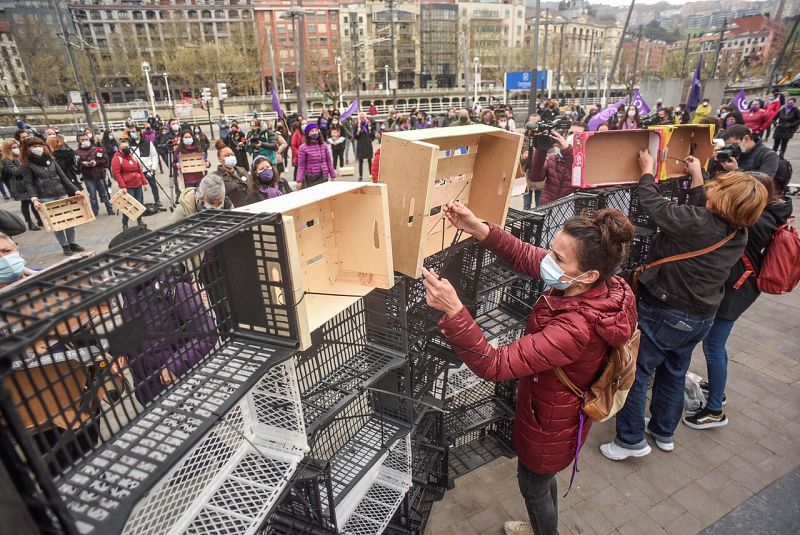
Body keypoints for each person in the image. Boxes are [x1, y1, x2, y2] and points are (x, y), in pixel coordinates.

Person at [421, 203, 637, 535]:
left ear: (589, 274)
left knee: (533, 485)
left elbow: (494, 365)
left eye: (559, 258)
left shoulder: (575, 328)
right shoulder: (599, 288)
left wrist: (454, 311)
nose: (548, 260)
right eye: (552, 249)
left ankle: (544, 531)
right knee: (541, 480)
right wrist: (480, 228)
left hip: (548, 424)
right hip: (555, 411)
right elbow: (528, 255)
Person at [601, 153, 768, 461]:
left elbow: (654, 206)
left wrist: (648, 172)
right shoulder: (738, 232)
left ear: (723, 200)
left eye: (719, 187)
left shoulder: (697, 223)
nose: (713, 189)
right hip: (701, 316)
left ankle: (630, 441)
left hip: (665, 311)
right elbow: (702, 212)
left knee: (636, 372)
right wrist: (697, 178)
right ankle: (664, 432)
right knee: (674, 372)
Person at [685, 171, 792, 430]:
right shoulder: (769, 213)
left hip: (736, 290)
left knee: (713, 347)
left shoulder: (753, 222)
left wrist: (699, 177)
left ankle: (714, 411)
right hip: (742, 287)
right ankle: (716, 390)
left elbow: (709, 213)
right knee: (716, 347)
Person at [109, 226, 218, 407]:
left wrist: (176, 365)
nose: (118, 271)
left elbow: (207, 334)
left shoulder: (175, 287)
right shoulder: (130, 289)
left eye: (123, 263)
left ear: (143, 258)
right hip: (148, 388)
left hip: (182, 387)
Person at [20, 138, 86, 255]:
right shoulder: (27, 164)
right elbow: (28, 183)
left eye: (40, 145)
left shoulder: (50, 159)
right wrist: (34, 199)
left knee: (69, 219)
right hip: (45, 196)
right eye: (34, 146)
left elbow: (62, 177)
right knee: (57, 222)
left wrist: (76, 190)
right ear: (28, 148)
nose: (38, 148)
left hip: (61, 193)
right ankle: (64, 245)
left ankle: (72, 243)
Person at [538, 122, 587, 205]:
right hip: (548, 208)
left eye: (578, 134)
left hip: (571, 210)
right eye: (571, 133)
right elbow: (535, 177)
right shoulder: (553, 158)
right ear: (565, 136)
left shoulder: (587, 160)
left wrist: (567, 150)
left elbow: (581, 180)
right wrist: (541, 147)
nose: (573, 137)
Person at [1, 138, 43, 231]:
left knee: (33, 201)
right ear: (8, 149)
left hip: (28, 182)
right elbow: (14, 172)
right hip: (19, 185)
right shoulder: (6, 159)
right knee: (25, 203)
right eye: (13, 147)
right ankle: (30, 223)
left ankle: (39, 219)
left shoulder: (21, 156)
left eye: (16, 147)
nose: (16, 149)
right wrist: (23, 164)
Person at [75, 132, 114, 216]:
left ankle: (109, 208)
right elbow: (76, 164)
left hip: (99, 175)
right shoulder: (77, 152)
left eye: (86, 139)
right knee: (92, 196)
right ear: (79, 140)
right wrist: (82, 163)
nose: (85, 141)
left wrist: (96, 162)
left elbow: (105, 160)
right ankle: (95, 211)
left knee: (104, 194)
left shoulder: (97, 149)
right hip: (88, 177)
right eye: (82, 140)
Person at [111, 138, 147, 230]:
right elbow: (117, 173)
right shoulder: (117, 158)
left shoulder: (133, 157)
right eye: (124, 147)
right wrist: (123, 186)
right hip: (128, 186)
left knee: (139, 204)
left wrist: (144, 182)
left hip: (137, 184)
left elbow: (139, 170)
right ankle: (125, 223)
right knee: (128, 206)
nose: (126, 149)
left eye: (127, 147)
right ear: (119, 149)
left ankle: (140, 220)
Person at [126, 126, 161, 207]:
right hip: (136, 171)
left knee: (153, 186)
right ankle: (140, 204)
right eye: (131, 132)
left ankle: (157, 200)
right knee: (138, 188)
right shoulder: (129, 145)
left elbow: (154, 156)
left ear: (139, 132)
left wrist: (153, 168)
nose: (132, 134)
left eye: (134, 131)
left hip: (148, 169)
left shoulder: (148, 143)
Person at [208, 139, 249, 208]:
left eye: (232, 155)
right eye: (227, 155)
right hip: (235, 212)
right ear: (219, 159)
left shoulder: (242, 170)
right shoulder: (215, 178)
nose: (231, 157)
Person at [296, 123, 336, 189]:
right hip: (312, 178)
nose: (314, 132)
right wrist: (299, 181)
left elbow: (329, 161)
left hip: (324, 176)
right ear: (308, 134)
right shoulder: (303, 148)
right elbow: (301, 165)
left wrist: (333, 175)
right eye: (312, 131)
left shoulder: (324, 145)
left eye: (316, 130)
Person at [354, 113, 375, 181]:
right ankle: (360, 176)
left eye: (363, 117)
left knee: (370, 161)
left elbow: (373, 134)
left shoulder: (369, 124)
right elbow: (355, 136)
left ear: (366, 117)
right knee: (360, 161)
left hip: (368, 144)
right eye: (361, 117)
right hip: (360, 144)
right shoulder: (357, 125)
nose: (362, 118)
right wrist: (358, 132)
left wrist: (370, 139)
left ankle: (371, 175)